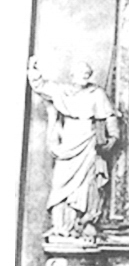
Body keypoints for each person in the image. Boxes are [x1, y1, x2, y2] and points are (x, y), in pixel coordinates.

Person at [27, 56, 119, 240]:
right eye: (81, 72)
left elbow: (109, 116)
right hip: (68, 140)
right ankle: (60, 226)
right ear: (72, 75)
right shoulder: (63, 91)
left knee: (85, 185)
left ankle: (76, 224)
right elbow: (40, 86)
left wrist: (113, 136)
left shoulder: (97, 93)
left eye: (87, 73)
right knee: (60, 183)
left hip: (89, 141)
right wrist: (33, 71)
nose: (84, 75)